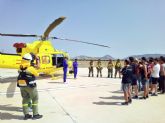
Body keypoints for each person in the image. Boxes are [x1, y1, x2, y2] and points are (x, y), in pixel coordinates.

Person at [17, 53, 42, 120]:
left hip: (22, 86)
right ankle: (35, 114)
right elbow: (37, 74)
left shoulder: (20, 67)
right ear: (30, 60)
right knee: (35, 99)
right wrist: (37, 61)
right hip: (30, 86)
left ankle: (26, 115)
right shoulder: (30, 68)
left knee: (25, 100)